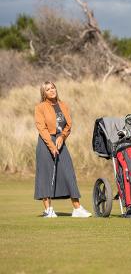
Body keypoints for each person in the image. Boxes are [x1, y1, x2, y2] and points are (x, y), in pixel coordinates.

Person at [34, 81, 91, 218]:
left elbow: (68, 125)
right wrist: (52, 145)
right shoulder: (40, 107)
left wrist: (62, 136)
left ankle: (77, 209)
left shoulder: (63, 105)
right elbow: (42, 128)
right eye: (48, 89)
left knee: (68, 172)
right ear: (44, 93)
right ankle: (49, 210)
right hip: (45, 142)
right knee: (45, 175)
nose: (52, 90)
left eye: (53, 87)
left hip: (60, 141)